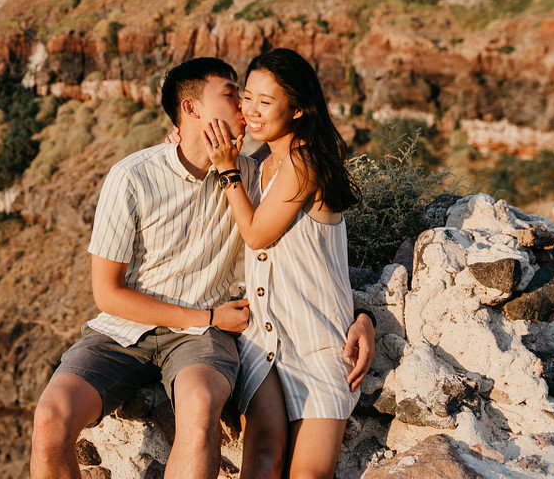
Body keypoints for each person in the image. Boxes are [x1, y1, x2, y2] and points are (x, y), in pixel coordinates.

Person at [30, 56, 374, 479]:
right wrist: (205, 316)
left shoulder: (249, 175)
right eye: (236, 96)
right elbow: (107, 294)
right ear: (191, 110)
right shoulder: (134, 176)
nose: (246, 109)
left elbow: (305, 253)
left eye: (254, 99)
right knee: (48, 419)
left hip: (216, 339)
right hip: (129, 330)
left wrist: (363, 314)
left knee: (203, 412)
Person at [203, 48, 363, 479]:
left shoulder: (303, 161)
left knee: (308, 474)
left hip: (317, 341)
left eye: (265, 101)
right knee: (261, 462)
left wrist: (228, 172)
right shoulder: (260, 165)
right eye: (246, 97)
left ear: (297, 109)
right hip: (263, 337)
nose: (251, 111)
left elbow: (255, 233)